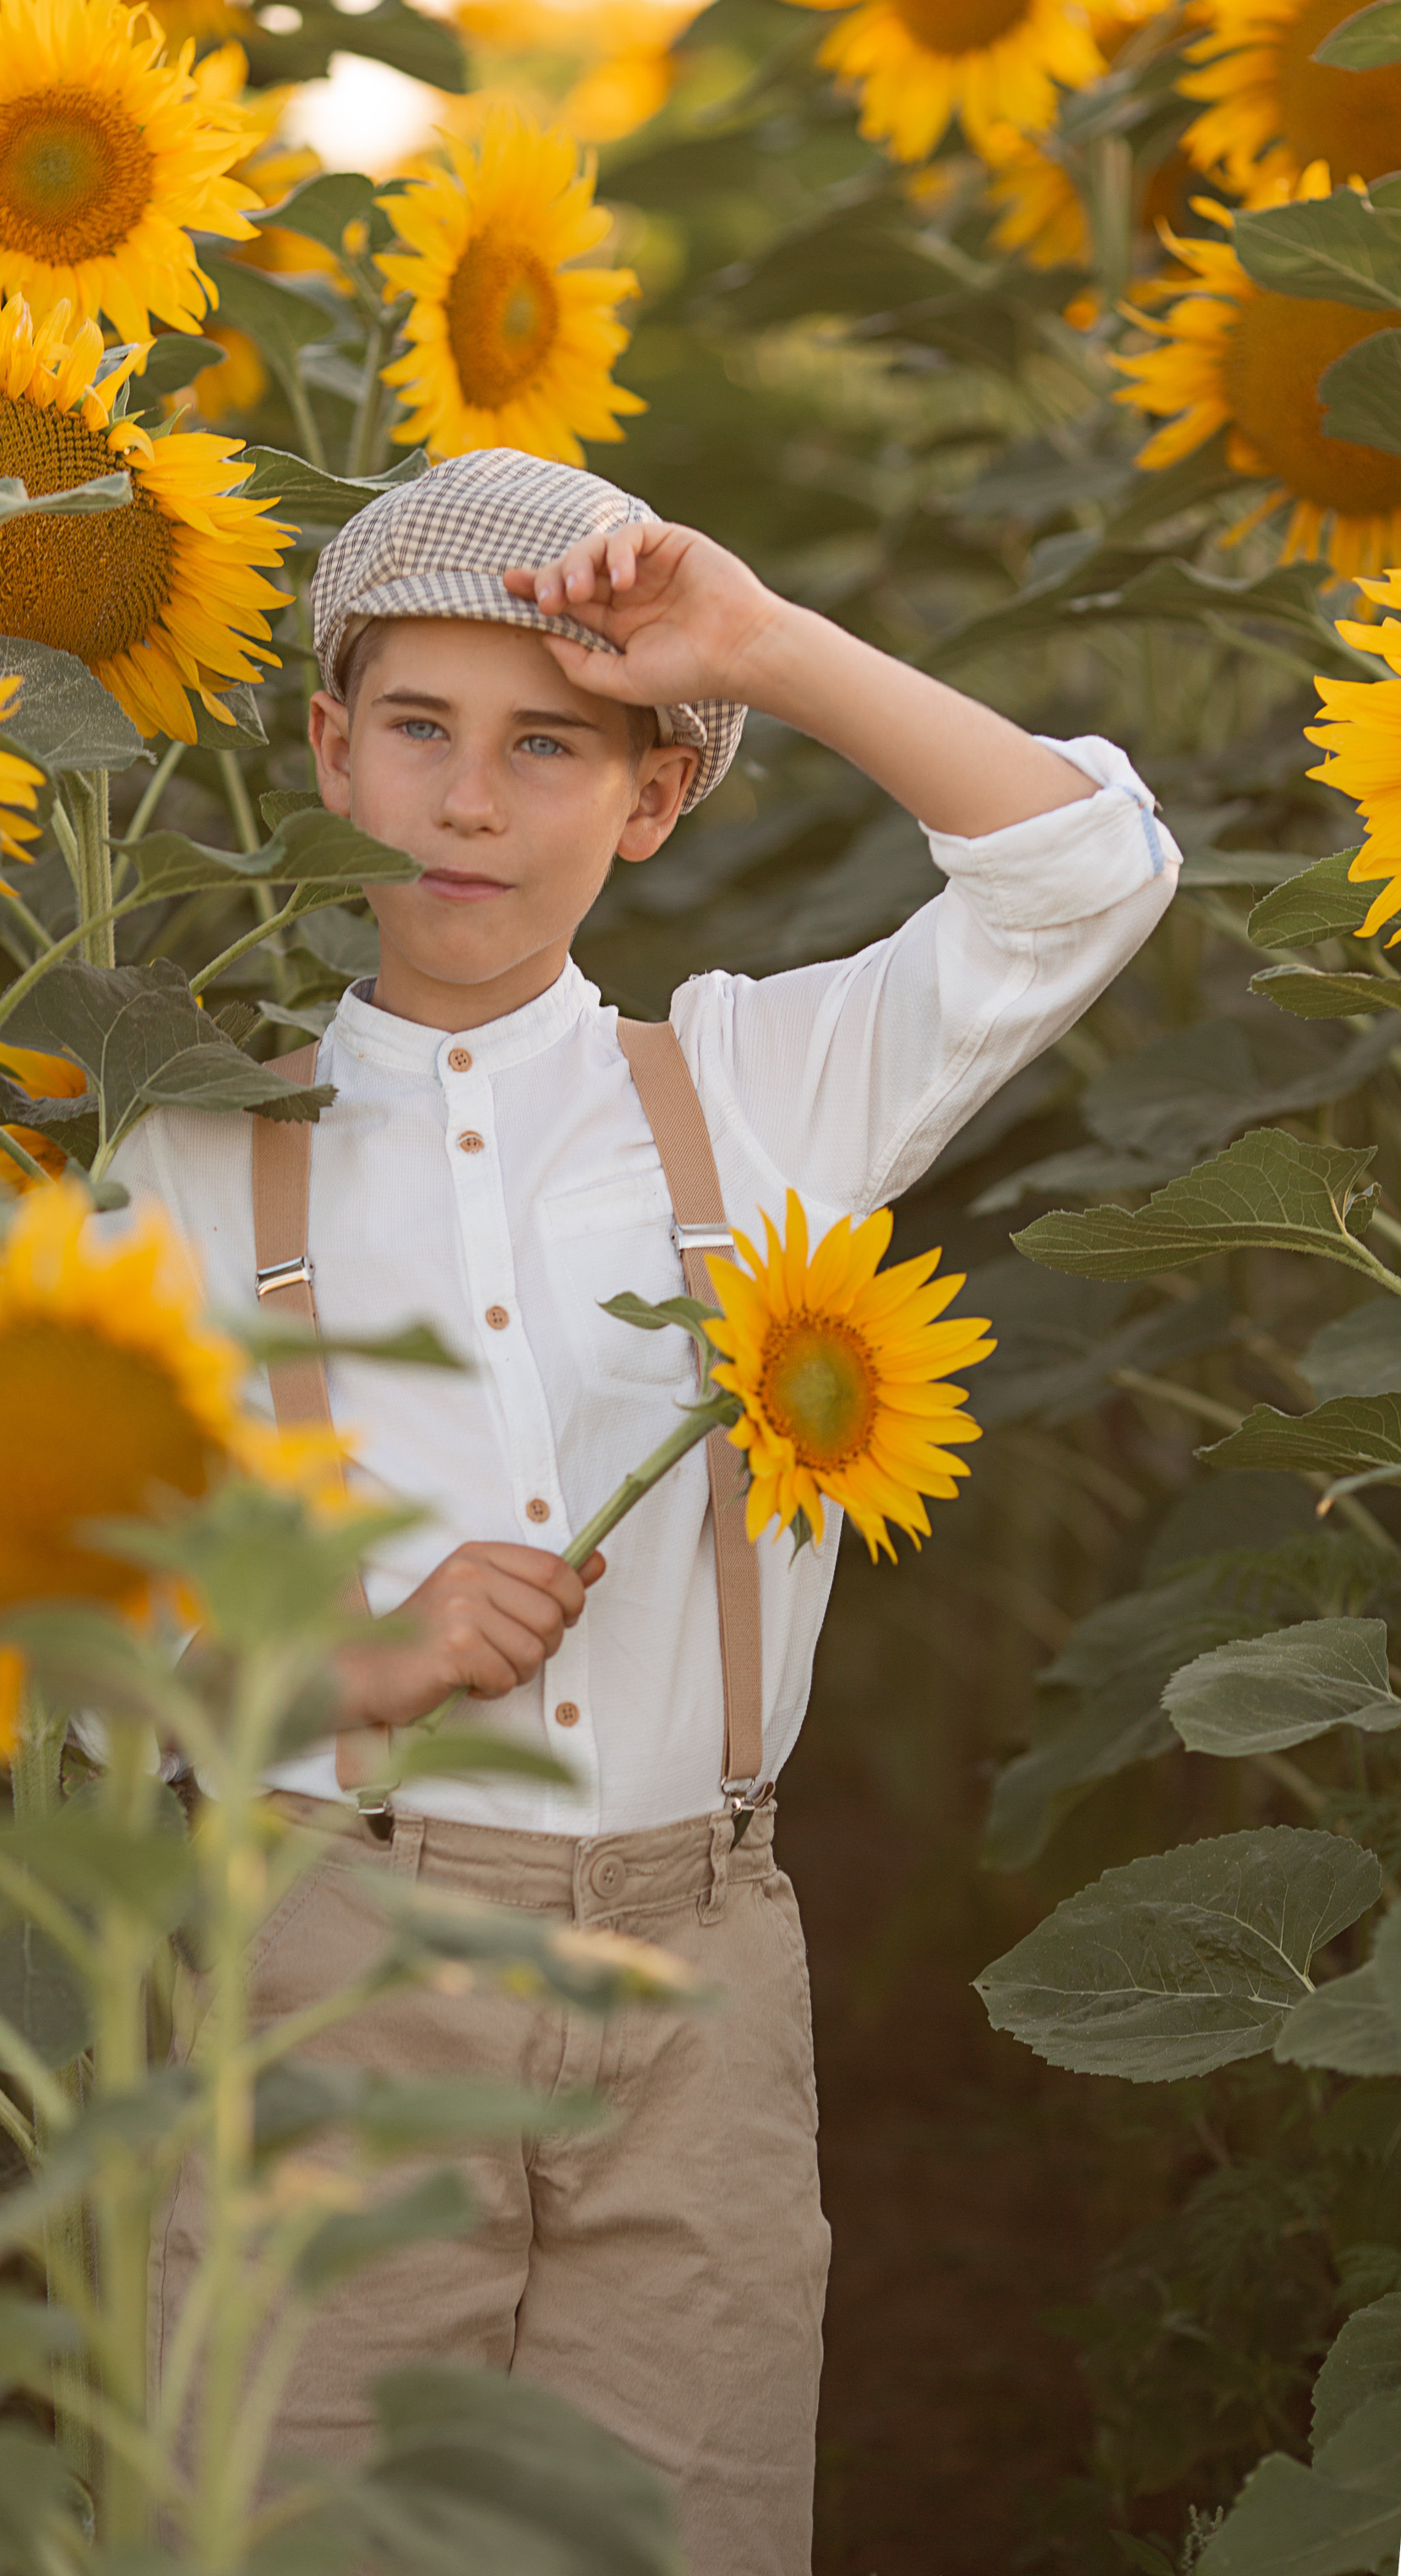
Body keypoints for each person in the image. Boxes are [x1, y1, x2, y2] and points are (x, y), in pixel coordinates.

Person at [127, 446, 1179, 2576]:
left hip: (697, 1961)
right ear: (330, 751)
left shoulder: (752, 1092)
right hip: (333, 1945)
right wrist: (350, 1661)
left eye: (550, 745)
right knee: (300, 2517)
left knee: (686, 2520)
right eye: (416, 729)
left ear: (654, 795)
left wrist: (759, 646)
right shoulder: (189, 1155)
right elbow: (63, 1626)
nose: (469, 803)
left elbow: (1085, 873)